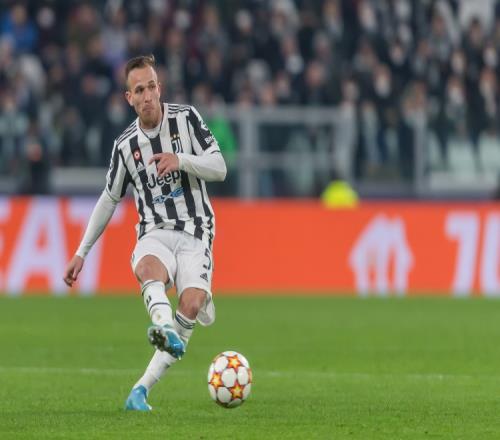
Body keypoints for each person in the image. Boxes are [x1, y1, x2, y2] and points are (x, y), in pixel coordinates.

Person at [62, 54, 227, 411]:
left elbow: (220, 167)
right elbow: (109, 198)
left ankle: (140, 390)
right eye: (139, 90)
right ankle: (164, 326)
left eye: (152, 86)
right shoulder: (125, 146)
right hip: (154, 231)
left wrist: (180, 160)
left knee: (191, 304)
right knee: (148, 267)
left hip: (196, 231)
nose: (148, 95)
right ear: (129, 98)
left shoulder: (186, 118)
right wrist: (81, 252)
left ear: (159, 88)